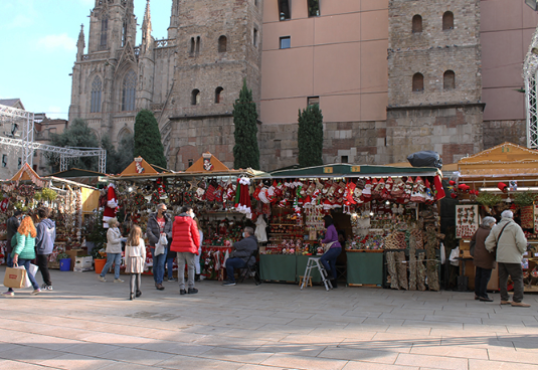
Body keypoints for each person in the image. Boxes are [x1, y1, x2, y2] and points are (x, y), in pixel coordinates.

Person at [485, 210, 530, 308]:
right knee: (518, 278)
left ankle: (504, 299)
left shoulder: (496, 228)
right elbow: (522, 243)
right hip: (513, 258)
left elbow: (488, 242)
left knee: (503, 278)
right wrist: (521, 251)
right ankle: (517, 300)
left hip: (501, 257)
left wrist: (493, 251)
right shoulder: (515, 227)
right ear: (512, 217)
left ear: (501, 217)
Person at [3, 216, 40, 297]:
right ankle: (36, 287)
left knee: (13, 271)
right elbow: (33, 244)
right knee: (26, 271)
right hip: (30, 254)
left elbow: (21, 244)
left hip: (22, 254)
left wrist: (16, 255)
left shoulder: (21, 232)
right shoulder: (32, 232)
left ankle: (10, 290)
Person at [170, 206, 200, 296]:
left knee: (181, 268)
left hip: (179, 248)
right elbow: (196, 235)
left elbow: (173, 234)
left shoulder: (175, 222)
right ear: (187, 212)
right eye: (191, 211)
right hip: (189, 247)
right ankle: (191, 287)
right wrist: (196, 246)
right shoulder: (191, 221)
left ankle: (182, 288)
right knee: (191, 267)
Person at [147, 204, 173, 291]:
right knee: (155, 264)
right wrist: (156, 240)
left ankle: (159, 282)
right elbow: (149, 231)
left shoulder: (168, 220)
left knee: (161, 264)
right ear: (158, 210)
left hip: (163, 245)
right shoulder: (152, 219)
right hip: (154, 245)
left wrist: (167, 235)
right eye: (163, 209)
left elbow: (172, 231)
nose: (164, 211)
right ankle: (156, 279)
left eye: (165, 209)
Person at [472, 216, 496, 302]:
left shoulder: (479, 229)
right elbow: (492, 245)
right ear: (489, 223)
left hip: (478, 255)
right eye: (493, 223)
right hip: (487, 256)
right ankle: (483, 294)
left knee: (479, 275)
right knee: (485, 276)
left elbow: (473, 240)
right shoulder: (490, 232)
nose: (494, 224)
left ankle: (477, 293)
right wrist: (495, 255)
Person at [35, 208, 56, 291]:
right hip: (49, 246)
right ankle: (46, 282)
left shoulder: (41, 225)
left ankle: (48, 283)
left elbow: (38, 238)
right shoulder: (52, 224)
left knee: (43, 266)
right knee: (43, 265)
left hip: (42, 248)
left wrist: (34, 244)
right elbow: (53, 236)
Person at [99, 218, 125, 283]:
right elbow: (112, 240)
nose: (117, 222)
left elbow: (119, 237)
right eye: (116, 221)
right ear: (113, 224)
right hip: (111, 250)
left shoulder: (117, 229)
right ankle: (102, 275)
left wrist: (122, 238)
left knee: (118, 263)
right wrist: (121, 240)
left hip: (118, 249)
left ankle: (116, 277)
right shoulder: (110, 231)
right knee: (109, 263)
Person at [320, 215, 342, 288]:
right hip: (337, 248)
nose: (323, 223)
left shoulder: (329, 228)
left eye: (324, 221)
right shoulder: (332, 227)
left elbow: (329, 238)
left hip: (334, 248)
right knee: (332, 264)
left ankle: (329, 274)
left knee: (323, 259)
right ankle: (334, 283)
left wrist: (322, 241)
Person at [125, 225, 146, 301]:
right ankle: (138, 290)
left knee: (132, 277)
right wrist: (143, 260)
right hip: (138, 258)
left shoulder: (129, 241)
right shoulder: (141, 241)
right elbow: (143, 252)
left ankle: (131, 292)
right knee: (138, 276)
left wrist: (126, 261)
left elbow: (126, 252)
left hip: (131, 258)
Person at [194, 217, 204, 282]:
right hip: (197, 248)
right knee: (196, 262)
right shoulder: (200, 231)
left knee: (194, 263)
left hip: (195, 248)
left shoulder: (198, 231)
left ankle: (197, 275)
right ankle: (197, 275)